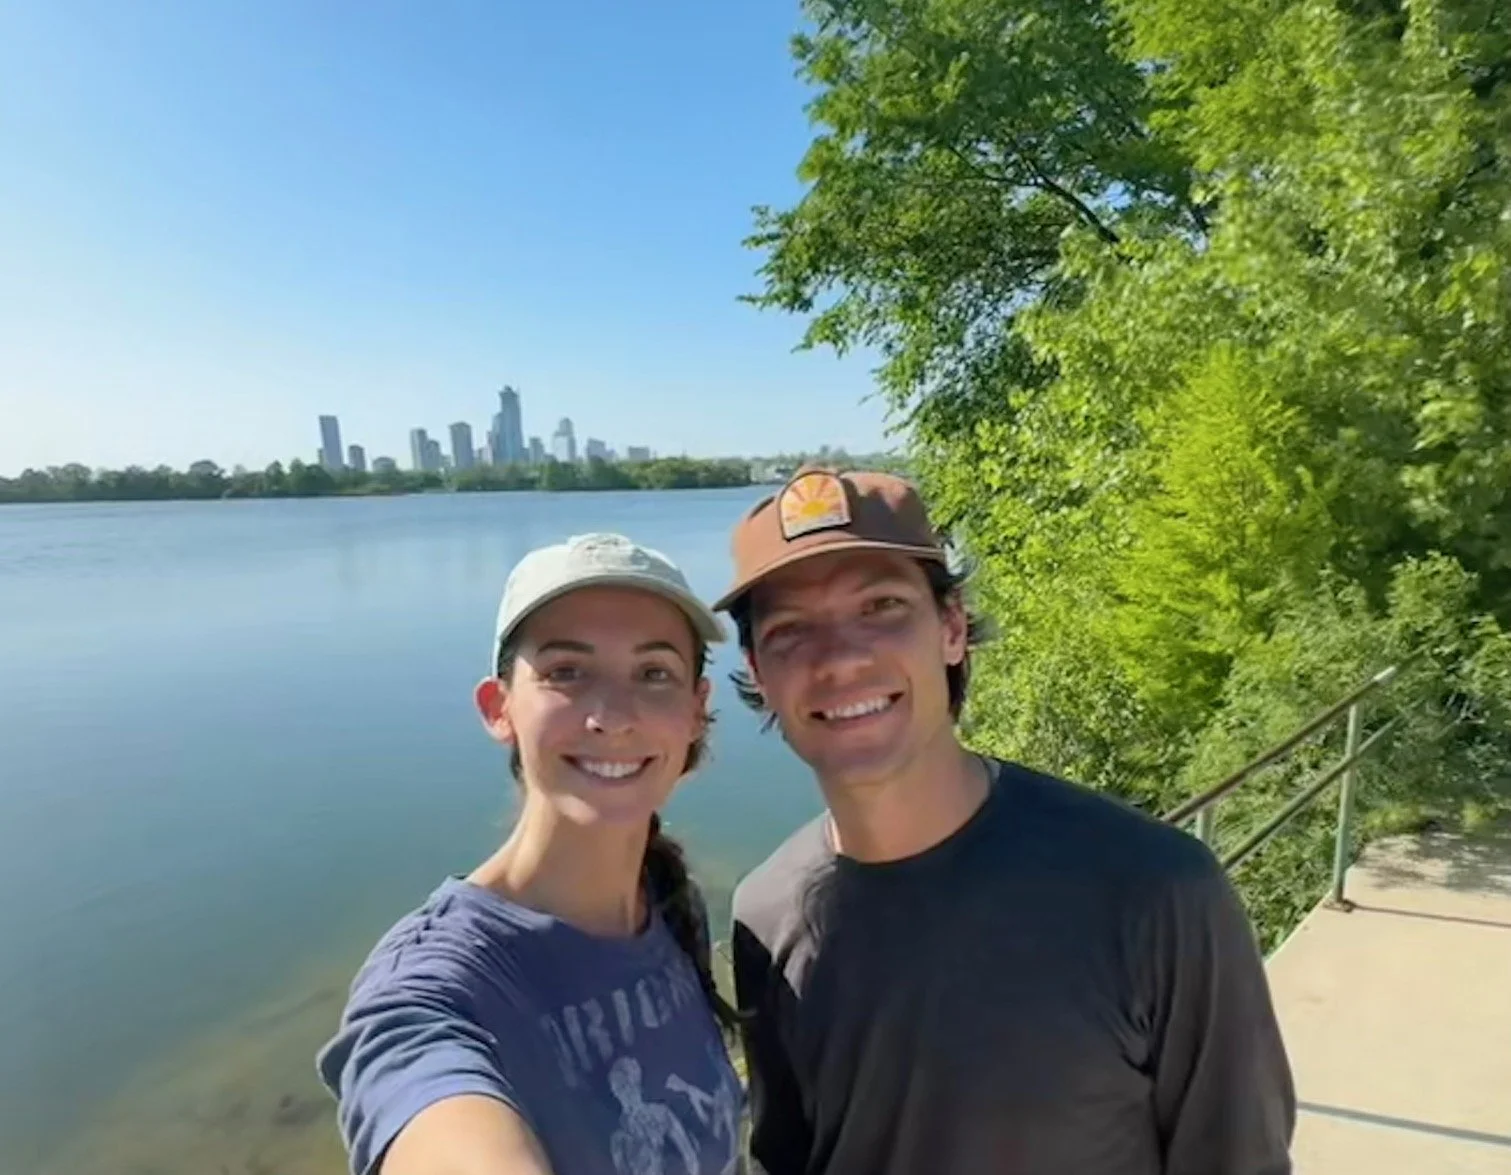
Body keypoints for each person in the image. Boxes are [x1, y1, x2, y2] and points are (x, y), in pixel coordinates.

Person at [715, 467, 1296, 1175]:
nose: (841, 657)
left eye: (881, 607)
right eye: (792, 630)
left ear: (951, 627)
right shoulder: (764, 912)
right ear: (757, 671)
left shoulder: (1155, 889)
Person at [317, 533, 743, 1175]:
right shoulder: (440, 988)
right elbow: (426, 1099)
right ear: (499, 708)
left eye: (654, 673)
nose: (613, 716)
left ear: (696, 712)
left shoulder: (666, 901)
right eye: (566, 673)